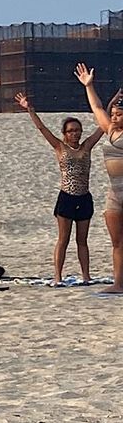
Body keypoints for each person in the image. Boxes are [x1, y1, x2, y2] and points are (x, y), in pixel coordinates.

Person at [15, 90, 105, 284]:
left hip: (84, 197)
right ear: (65, 134)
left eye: (78, 130)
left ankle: (86, 275)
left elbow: (103, 127)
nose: (75, 133)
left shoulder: (87, 146)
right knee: (63, 239)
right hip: (67, 198)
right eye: (71, 131)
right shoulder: (59, 147)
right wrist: (29, 109)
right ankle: (57, 275)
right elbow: (42, 129)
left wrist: (113, 101)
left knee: (82, 241)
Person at [76, 62, 123, 293]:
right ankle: (118, 283)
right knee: (117, 242)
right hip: (114, 192)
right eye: (113, 114)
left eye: (119, 114)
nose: (114, 117)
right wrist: (89, 85)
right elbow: (96, 107)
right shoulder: (110, 130)